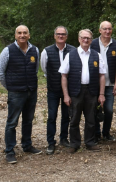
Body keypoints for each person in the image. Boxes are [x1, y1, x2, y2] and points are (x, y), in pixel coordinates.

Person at [59, 29, 106, 153]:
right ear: (79, 39)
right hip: (75, 91)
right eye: (83, 38)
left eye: (88, 38)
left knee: (91, 119)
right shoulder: (70, 55)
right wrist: (66, 95)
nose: (86, 40)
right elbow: (64, 75)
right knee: (74, 119)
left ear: (91, 40)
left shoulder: (97, 55)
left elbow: (102, 75)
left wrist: (101, 94)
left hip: (91, 92)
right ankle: (74, 144)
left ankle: (90, 142)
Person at [0, 25, 42, 164]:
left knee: (28, 120)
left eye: (25, 33)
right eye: (19, 33)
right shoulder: (8, 51)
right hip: (16, 92)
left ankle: (27, 145)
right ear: (15, 35)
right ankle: (10, 151)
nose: (22, 35)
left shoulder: (34, 50)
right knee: (12, 122)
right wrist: (10, 88)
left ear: (29, 35)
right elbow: (1, 72)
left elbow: (35, 70)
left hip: (31, 91)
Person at [40, 26, 76, 155]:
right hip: (53, 90)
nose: (61, 36)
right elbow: (44, 69)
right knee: (52, 116)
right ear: (54, 36)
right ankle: (50, 142)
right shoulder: (46, 51)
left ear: (66, 36)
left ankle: (63, 138)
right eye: (58, 34)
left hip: (68, 90)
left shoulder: (73, 50)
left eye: (63, 34)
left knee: (66, 115)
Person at [90, 21, 116, 142]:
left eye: (109, 29)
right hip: (94, 84)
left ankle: (106, 133)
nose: (107, 31)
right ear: (100, 30)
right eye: (105, 29)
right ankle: (96, 133)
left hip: (109, 84)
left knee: (109, 110)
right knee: (95, 110)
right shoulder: (92, 44)